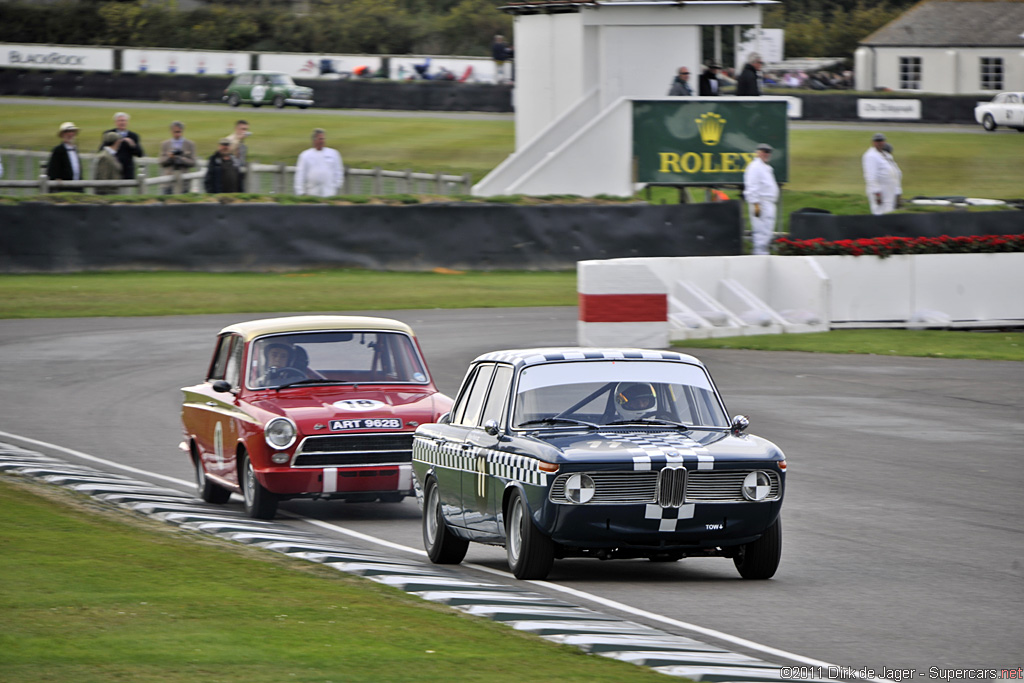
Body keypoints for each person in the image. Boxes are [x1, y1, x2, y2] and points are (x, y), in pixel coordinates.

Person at [742, 142, 779, 255]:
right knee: (760, 231)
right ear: (758, 153)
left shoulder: (766, 168)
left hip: (769, 203)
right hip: (761, 203)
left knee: (767, 231)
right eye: (763, 152)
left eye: (768, 152)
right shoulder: (755, 167)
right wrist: (755, 203)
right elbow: (751, 185)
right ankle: (759, 254)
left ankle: (763, 253)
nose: (766, 154)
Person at [294, 128, 344, 197]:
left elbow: (338, 171)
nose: (322, 141)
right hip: (311, 192)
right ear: (314, 140)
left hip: (329, 192)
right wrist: (300, 192)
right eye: (320, 139)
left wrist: (336, 186)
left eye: (323, 139)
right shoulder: (305, 155)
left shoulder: (333, 154)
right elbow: (300, 174)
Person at [862, 133, 902, 215]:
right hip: (881, 192)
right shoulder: (870, 156)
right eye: (877, 141)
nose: (879, 143)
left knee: (889, 214)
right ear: (873, 142)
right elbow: (870, 177)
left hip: (890, 191)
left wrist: (898, 192)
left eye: (881, 141)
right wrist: (877, 193)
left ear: (884, 142)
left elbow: (896, 174)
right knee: (880, 213)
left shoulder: (886, 155)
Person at [100, 112, 143, 180]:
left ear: (127, 122)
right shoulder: (108, 134)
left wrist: (133, 145)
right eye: (120, 121)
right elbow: (101, 150)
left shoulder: (133, 136)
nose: (122, 123)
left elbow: (140, 154)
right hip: (112, 170)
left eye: (124, 120)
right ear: (115, 122)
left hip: (126, 172)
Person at [158, 121, 197, 194]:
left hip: (184, 182)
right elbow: (161, 162)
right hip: (168, 182)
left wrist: (182, 159)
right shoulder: (165, 144)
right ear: (171, 131)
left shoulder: (190, 144)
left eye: (179, 132)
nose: (177, 134)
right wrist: (170, 157)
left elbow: (193, 162)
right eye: (175, 132)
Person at [46, 121, 84, 192]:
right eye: (67, 132)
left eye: (72, 131)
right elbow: (52, 171)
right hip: (63, 189)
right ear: (62, 134)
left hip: (77, 189)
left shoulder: (75, 150)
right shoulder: (58, 150)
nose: (70, 134)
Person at [226, 120, 250, 192]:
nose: (244, 131)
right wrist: (238, 139)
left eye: (246, 129)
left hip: (239, 174)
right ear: (236, 129)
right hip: (229, 175)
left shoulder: (242, 141)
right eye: (242, 129)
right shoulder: (229, 139)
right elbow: (228, 152)